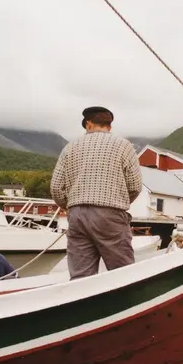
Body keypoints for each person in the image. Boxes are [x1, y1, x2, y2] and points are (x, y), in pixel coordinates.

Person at [50, 106, 143, 280]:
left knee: (81, 277)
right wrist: (119, 201)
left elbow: (56, 187)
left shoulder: (70, 147)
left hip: (77, 215)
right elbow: (135, 185)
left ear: (88, 124)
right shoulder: (124, 146)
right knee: (122, 273)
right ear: (110, 126)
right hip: (110, 214)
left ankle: (83, 304)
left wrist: (70, 205)